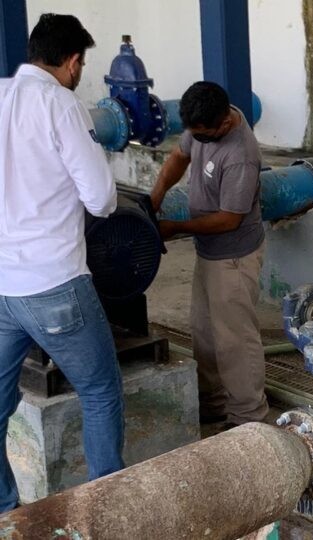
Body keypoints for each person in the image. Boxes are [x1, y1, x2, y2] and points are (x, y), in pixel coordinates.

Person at [0, 14, 124, 510]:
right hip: (54, 284)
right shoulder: (62, 105)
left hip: (3, 285)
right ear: (72, 62)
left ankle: (7, 514)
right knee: (100, 391)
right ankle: (106, 509)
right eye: (82, 64)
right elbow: (101, 199)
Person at [150, 82, 268, 427]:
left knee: (234, 339)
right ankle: (213, 404)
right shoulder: (204, 124)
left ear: (225, 124)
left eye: (204, 136)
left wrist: (176, 228)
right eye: (194, 134)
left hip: (233, 257)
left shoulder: (240, 155)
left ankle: (248, 417)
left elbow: (229, 219)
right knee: (204, 333)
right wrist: (154, 198)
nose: (197, 140)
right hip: (209, 251)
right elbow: (178, 157)